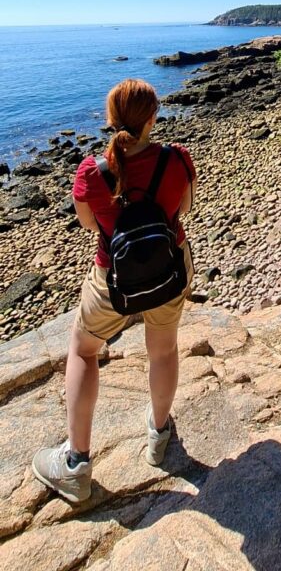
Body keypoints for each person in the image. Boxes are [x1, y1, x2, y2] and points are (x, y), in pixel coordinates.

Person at [32, 78, 196, 503]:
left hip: (113, 280)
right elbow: (183, 210)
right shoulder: (177, 159)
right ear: (154, 117)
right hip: (170, 270)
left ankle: (76, 464)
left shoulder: (91, 172)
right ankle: (159, 435)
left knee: (85, 349)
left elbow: (89, 225)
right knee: (163, 349)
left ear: (109, 120)